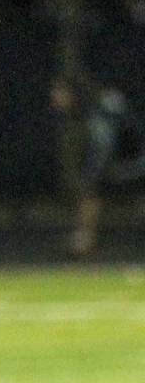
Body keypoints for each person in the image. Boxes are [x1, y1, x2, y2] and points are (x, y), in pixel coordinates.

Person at [49, 69, 145, 257]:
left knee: (90, 192)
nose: (54, 95)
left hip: (135, 163)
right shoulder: (82, 115)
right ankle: (84, 239)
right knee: (89, 190)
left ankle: (84, 241)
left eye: (59, 90)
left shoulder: (97, 114)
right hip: (124, 163)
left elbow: (105, 147)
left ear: (73, 93)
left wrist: (93, 177)